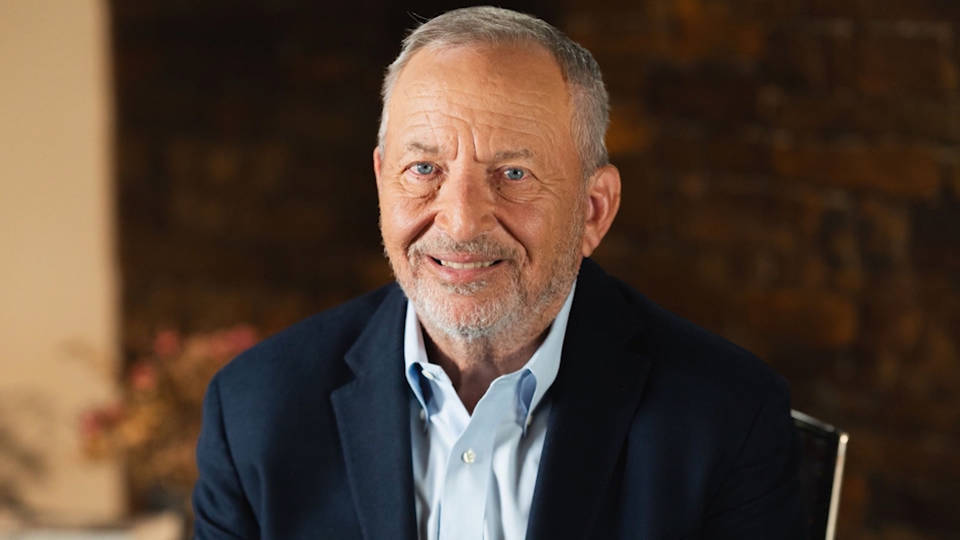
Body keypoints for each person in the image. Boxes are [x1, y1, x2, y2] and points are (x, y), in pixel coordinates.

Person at [193, 6, 801, 539]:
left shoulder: (728, 420)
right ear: (381, 183)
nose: (459, 223)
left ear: (593, 211)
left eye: (513, 174)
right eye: (424, 168)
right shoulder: (253, 410)